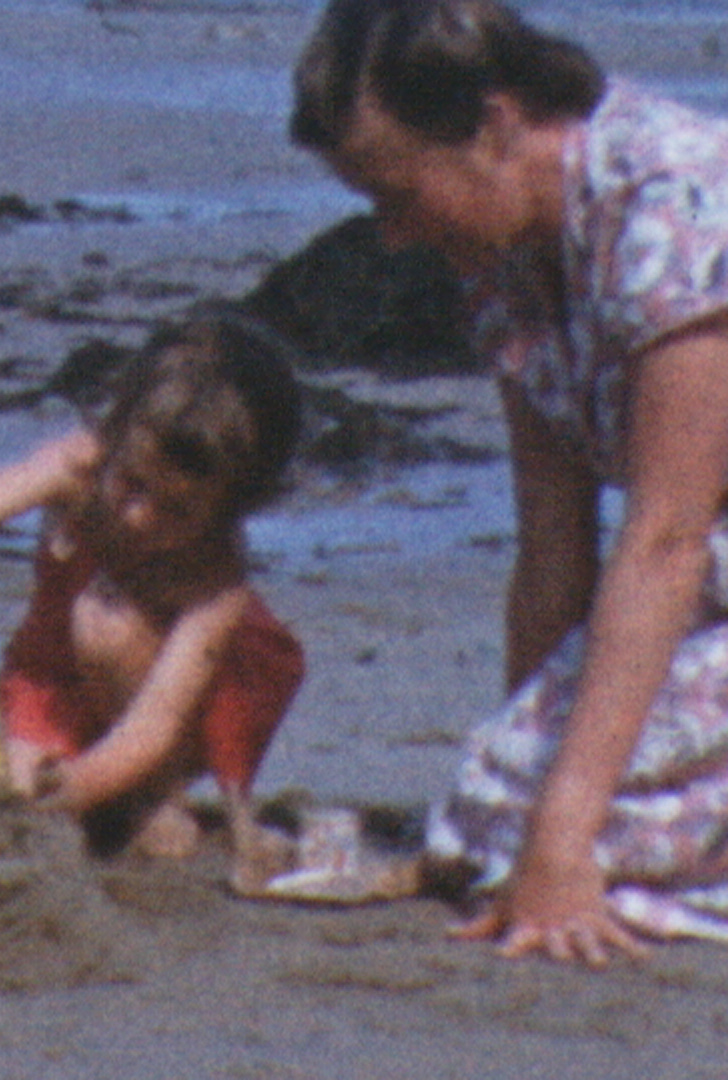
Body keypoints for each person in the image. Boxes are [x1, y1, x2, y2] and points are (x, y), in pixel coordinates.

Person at [292, 0, 728, 966]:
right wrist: (522, 760)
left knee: (583, 831)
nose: (390, 235)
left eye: (396, 194)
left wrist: (560, 838)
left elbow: (665, 539)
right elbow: (552, 541)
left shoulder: (676, 205)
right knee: (494, 809)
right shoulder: (505, 263)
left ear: (493, 126)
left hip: (692, 563)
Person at [0, 309, 306, 882]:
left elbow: (156, 723)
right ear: (116, 432)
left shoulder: (217, 575)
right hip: (55, 682)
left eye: (178, 510)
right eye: (132, 483)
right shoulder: (77, 469)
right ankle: (66, 787)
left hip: (180, 706)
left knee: (104, 618)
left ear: (226, 510)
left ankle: (152, 794)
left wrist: (81, 785)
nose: (140, 515)